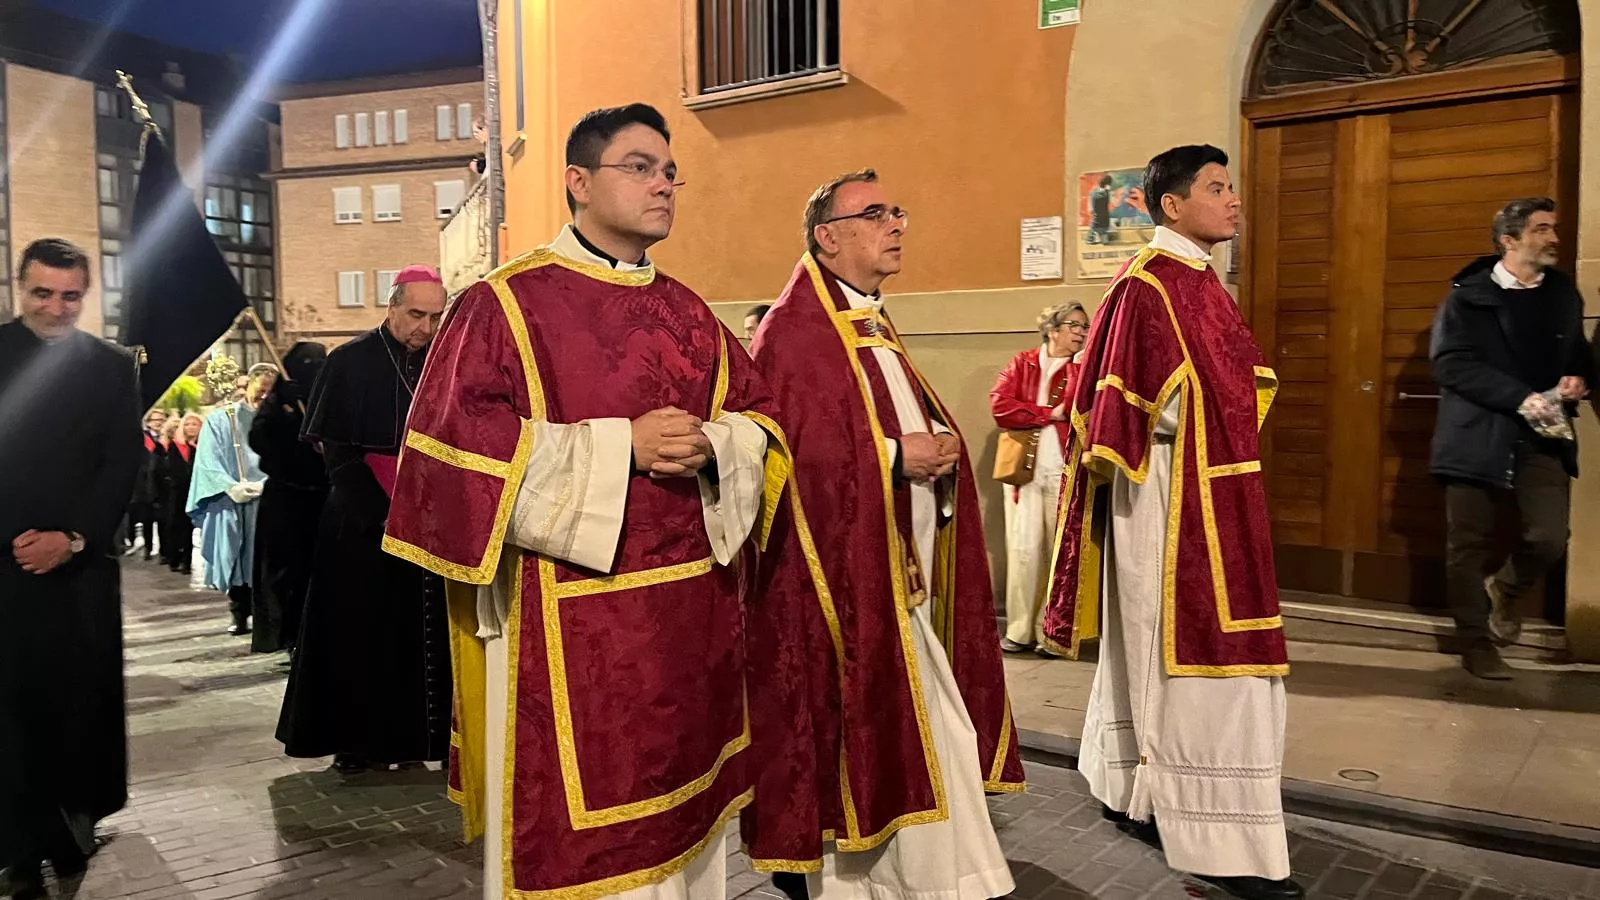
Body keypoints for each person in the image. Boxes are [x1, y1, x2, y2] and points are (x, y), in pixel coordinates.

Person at [382, 104, 796, 900]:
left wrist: (717, 445)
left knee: (687, 839)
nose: (663, 184)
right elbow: (450, 458)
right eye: (639, 167)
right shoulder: (502, 305)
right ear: (577, 181)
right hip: (567, 624)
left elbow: (765, 423)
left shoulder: (692, 314)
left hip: (690, 627)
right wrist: (618, 449)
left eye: (670, 171)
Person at [747, 168, 1022, 900]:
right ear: (827, 237)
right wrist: (902, 456)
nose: (896, 225)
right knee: (898, 726)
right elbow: (790, 456)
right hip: (845, 583)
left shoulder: (865, 317)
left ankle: (932, 876)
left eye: (897, 211)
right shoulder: (794, 331)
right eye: (875, 214)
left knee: (933, 725)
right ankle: (872, 879)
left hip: (901, 570)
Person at [1040, 146, 1298, 900]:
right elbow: (1116, 401)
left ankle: (1137, 792)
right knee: (1177, 658)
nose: (1233, 200)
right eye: (1216, 189)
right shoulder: (1146, 287)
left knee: (1155, 657)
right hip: (1168, 500)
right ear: (1173, 205)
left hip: (1217, 492)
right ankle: (1222, 845)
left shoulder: (1199, 282)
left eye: (1232, 187)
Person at [0, 238, 143, 899]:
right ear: (18, 287)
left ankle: (70, 833)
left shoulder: (113, 366)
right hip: (3, 571)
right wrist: (16, 542)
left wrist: (75, 539)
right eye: (42, 292)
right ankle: (19, 852)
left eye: (70, 295)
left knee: (76, 711)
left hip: (80, 573)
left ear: (86, 295)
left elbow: (121, 465)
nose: (56, 307)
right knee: (10, 715)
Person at [277, 267, 452, 773]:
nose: (425, 327)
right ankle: (360, 744)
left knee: (422, 640)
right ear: (392, 306)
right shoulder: (349, 361)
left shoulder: (443, 362)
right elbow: (338, 454)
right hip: (361, 523)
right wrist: (383, 513)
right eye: (416, 314)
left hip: (427, 525)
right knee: (362, 636)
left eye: (435, 317)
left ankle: (425, 741)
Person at [1430, 197, 1592, 680]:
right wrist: (1519, 396)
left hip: (1544, 435)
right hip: (1476, 434)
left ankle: (1505, 590)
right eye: (1542, 229)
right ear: (1510, 239)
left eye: (1554, 228)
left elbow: (1578, 352)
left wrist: (1579, 378)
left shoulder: (1562, 293)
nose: (1554, 239)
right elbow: (1450, 363)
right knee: (1467, 544)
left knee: (1548, 537)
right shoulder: (1468, 294)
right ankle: (1476, 642)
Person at [991, 303, 1087, 653]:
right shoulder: (1023, 362)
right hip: (1023, 475)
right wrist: (1050, 413)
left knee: (1060, 553)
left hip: (1063, 473)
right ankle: (1019, 631)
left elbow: (1081, 409)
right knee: (1023, 551)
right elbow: (1001, 406)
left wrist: (1076, 372)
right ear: (1052, 329)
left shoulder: (1082, 368)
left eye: (1084, 327)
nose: (1080, 332)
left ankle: (1052, 633)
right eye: (1074, 325)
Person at [247, 342, 329, 655]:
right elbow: (259, 440)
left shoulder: (329, 396)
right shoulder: (278, 402)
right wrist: (283, 408)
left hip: (324, 498)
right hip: (286, 500)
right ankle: (288, 635)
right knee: (285, 572)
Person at [187, 362, 277, 635]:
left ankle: (269, 618)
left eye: (269, 393)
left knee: (267, 563)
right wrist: (229, 486)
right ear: (247, 383)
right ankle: (239, 612)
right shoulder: (220, 419)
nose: (263, 397)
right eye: (260, 390)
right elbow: (207, 460)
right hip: (233, 500)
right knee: (237, 559)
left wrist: (272, 484)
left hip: (269, 500)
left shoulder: (279, 419)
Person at [161, 413, 203, 576]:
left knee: (190, 527)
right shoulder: (175, 446)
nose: (191, 427)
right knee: (175, 525)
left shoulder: (202, 447)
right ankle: (175, 558)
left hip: (195, 491)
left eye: (195, 424)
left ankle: (187, 561)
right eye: (188, 424)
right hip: (176, 492)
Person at [128, 408, 169, 561]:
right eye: (155, 420)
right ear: (148, 423)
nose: (158, 423)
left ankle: (165, 550)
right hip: (145, 485)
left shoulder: (167, 438)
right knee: (147, 518)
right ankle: (148, 548)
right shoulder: (142, 438)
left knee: (164, 519)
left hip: (163, 484)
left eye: (161, 419)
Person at [1088, 173, 1115, 245]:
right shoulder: (1106, 193)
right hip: (1104, 217)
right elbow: (1107, 201)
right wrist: (1107, 191)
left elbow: (1092, 202)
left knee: (1094, 228)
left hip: (1096, 216)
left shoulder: (1094, 191)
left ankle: (1091, 239)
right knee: (1103, 232)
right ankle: (1102, 238)